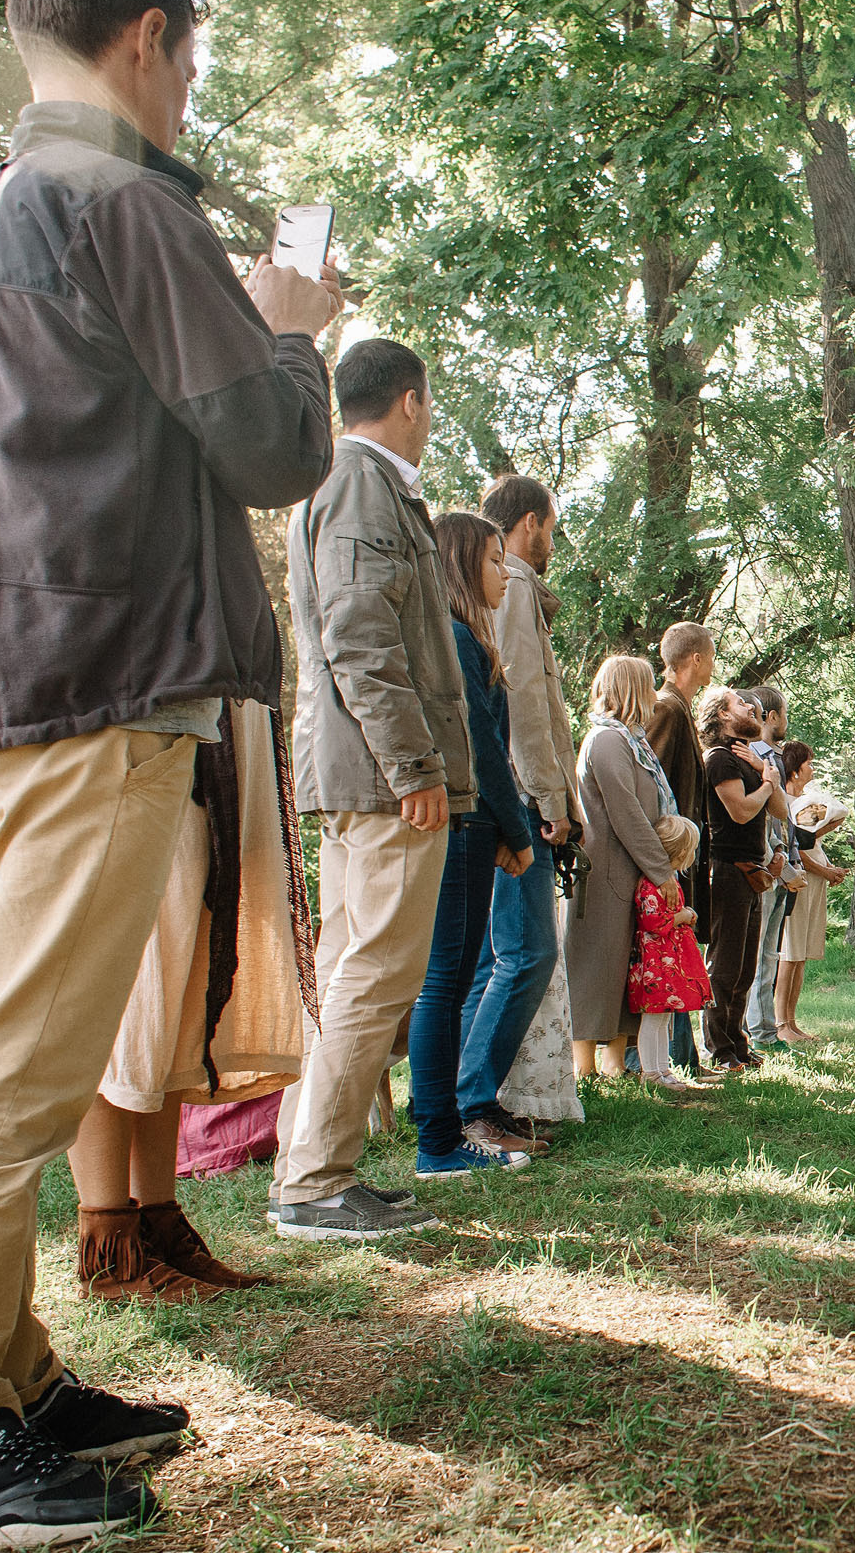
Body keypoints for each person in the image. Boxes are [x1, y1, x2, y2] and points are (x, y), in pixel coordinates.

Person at [0, 0, 342, 1539]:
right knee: (16, 1072)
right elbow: (273, 447)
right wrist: (292, 330)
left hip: (3, 676)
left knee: (15, 1045)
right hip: (101, 684)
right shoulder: (128, 206)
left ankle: (8, 1376)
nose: (188, 93)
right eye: (190, 62)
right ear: (150, 38)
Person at [272, 336, 475, 1242]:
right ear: (409, 401)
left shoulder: (347, 481)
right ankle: (315, 1182)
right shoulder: (361, 482)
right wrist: (415, 767)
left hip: (357, 771)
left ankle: (311, 1168)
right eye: (428, 406)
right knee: (376, 972)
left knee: (351, 969)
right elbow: (359, 634)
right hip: (381, 776)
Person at [71, 701, 309, 1301]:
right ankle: (109, 1248)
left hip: (209, 746)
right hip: (138, 739)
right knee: (128, 1000)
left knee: (177, 1005)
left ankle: (157, 1223)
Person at [404, 513, 540, 1179]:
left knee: (453, 979)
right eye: (492, 559)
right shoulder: (456, 639)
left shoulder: (464, 638)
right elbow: (481, 747)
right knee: (445, 981)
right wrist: (517, 831)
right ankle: (437, 1139)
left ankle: (443, 1130)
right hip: (464, 825)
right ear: (460, 564)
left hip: (474, 826)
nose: (504, 572)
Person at [471, 474, 581, 1128]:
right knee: (526, 952)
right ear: (530, 522)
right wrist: (550, 800)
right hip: (520, 799)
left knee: (496, 958)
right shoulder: (511, 587)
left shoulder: (499, 586)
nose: (551, 544)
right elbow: (524, 707)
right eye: (551, 529)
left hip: (505, 795)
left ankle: (465, 1100)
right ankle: (474, 1101)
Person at [569, 657, 684, 1075]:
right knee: (596, 964)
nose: (655, 694)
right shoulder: (606, 741)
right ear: (631, 689)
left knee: (626, 966)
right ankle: (584, 1067)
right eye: (648, 685)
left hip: (629, 869)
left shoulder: (633, 741)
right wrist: (661, 869)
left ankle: (615, 1062)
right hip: (606, 873)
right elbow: (626, 812)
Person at [703, 689, 790, 1066]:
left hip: (754, 873)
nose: (752, 708)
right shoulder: (719, 758)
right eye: (741, 705)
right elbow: (740, 811)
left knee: (745, 967)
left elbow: (780, 811)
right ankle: (719, 1049)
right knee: (724, 966)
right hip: (727, 871)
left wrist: (765, 773)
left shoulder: (749, 758)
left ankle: (737, 1043)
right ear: (722, 715)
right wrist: (768, 783)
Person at [648, 623, 718, 1076]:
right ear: (695, 659)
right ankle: (665, 1057)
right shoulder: (666, 709)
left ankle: (684, 1055)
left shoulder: (682, 709)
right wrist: (663, 861)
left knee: (682, 950)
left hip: (685, 855)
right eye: (711, 656)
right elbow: (652, 787)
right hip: (668, 856)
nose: (713, 665)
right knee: (668, 953)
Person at [741, 685, 805, 1054]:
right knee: (755, 955)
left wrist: (791, 859)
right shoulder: (751, 757)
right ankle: (757, 1031)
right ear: (772, 716)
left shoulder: (774, 758)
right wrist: (775, 861)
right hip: (762, 865)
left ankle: (765, 1030)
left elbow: (784, 816)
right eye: (784, 714)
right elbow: (759, 819)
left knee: (769, 954)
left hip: (781, 861)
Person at [632, 816, 715, 1093]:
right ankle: (650, 1072)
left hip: (670, 961)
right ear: (681, 852)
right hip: (656, 964)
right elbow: (652, 921)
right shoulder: (651, 883)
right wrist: (683, 916)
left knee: (664, 1017)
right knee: (653, 1018)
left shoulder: (669, 881)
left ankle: (663, 1069)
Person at [776, 743, 849, 1043]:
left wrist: (829, 867)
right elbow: (796, 849)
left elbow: (814, 842)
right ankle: (780, 1023)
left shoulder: (808, 802)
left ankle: (793, 1021)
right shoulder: (783, 803)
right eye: (809, 763)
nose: (813, 768)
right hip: (798, 878)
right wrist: (824, 871)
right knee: (790, 952)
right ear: (795, 770)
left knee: (802, 954)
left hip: (816, 878)